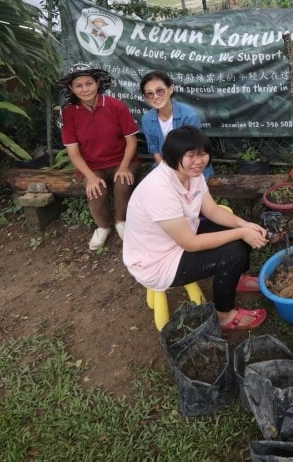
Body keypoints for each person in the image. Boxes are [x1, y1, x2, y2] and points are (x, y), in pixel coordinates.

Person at [123, 126, 269, 332]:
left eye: (202, 154)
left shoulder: (193, 174)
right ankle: (224, 315)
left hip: (179, 236)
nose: (198, 161)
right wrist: (241, 232)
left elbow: (211, 210)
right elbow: (190, 244)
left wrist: (243, 225)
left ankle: (235, 278)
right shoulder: (159, 190)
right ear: (173, 156)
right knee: (234, 250)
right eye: (190, 155)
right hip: (158, 261)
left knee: (238, 226)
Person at [58, 63, 140, 251]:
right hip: (91, 166)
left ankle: (121, 222)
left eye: (89, 83)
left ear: (97, 83)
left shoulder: (116, 105)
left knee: (123, 182)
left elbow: (131, 141)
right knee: (96, 191)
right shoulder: (69, 113)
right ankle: (103, 227)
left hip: (122, 160)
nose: (85, 89)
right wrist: (90, 176)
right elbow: (73, 152)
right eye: (79, 85)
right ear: (71, 89)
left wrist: (125, 166)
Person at [139, 70, 213, 181]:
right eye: (150, 93)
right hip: (164, 166)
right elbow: (155, 150)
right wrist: (166, 170)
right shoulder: (147, 119)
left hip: (192, 166)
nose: (155, 96)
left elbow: (194, 152)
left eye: (160, 91)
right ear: (145, 98)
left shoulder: (189, 116)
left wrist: (177, 176)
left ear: (170, 90)